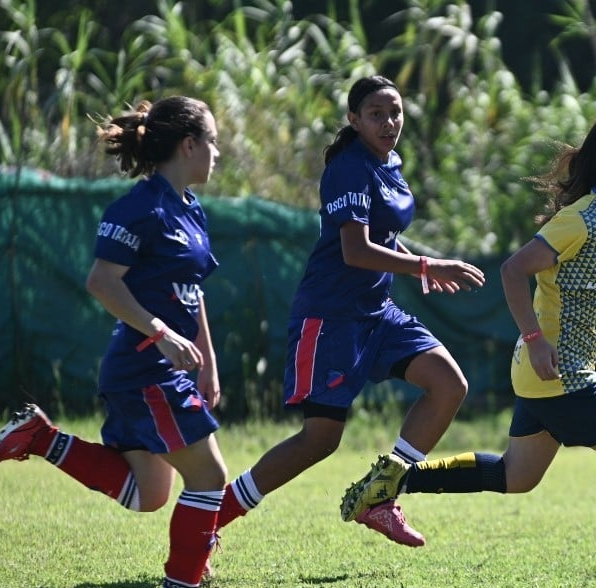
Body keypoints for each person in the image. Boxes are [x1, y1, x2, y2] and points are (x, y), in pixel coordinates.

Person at [339, 115, 596, 588]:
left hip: (544, 373)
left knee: (517, 475)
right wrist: (535, 338)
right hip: (558, 373)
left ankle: (394, 480)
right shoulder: (579, 221)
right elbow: (513, 270)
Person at [0, 96, 244, 588]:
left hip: (160, 368)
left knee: (149, 494)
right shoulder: (138, 209)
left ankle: (41, 439)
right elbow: (102, 282)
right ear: (188, 145)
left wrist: (208, 359)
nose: (216, 152)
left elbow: (193, 291)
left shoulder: (189, 208)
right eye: (212, 141)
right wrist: (162, 333)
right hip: (146, 369)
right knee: (210, 478)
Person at [204, 75, 486, 549]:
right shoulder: (349, 168)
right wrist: (424, 265)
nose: (389, 122)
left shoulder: (390, 162)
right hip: (331, 316)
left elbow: (384, 237)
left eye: (395, 112)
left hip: (377, 312)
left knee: (448, 384)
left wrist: (422, 265)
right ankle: (209, 523)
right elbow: (355, 250)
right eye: (376, 113)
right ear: (353, 120)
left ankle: (380, 493)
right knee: (319, 439)